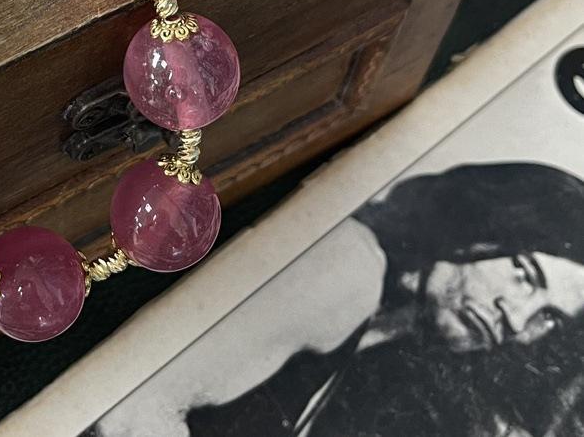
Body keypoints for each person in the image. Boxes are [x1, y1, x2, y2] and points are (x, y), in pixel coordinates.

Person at [185, 162, 584, 436]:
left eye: (550, 317)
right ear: (479, 231)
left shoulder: (391, 351)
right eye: (525, 276)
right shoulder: (353, 265)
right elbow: (161, 401)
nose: (518, 319)